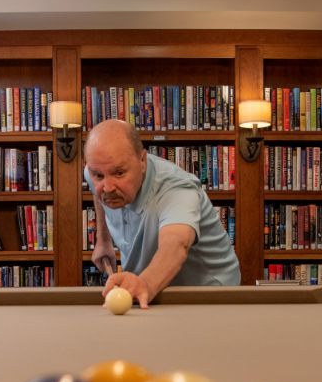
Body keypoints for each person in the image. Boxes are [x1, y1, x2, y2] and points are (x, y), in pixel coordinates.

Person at [85, 119, 240, 308]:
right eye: (99, 175)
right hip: (151, 290)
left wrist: (146, 283)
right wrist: (103, 240)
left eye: (119, 173)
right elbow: (96, 190)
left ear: (142, 161)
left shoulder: (176, 188)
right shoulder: (96, 169)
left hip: (209, 294)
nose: (107, 187)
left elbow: (176, 243)